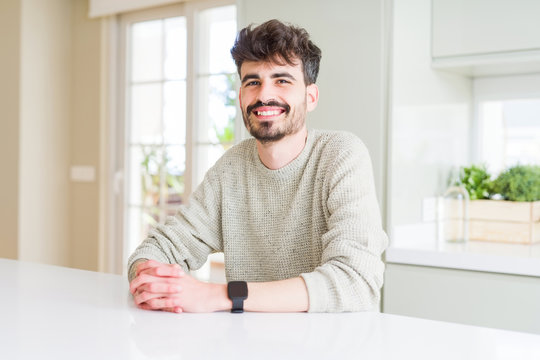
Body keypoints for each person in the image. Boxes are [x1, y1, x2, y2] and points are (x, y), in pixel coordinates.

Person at [128, 19, 388, 313]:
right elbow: (159, 248)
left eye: (282, 80)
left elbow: (356, 281)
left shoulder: (341, 155)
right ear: (241, 97)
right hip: (249, 345)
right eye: (253, 82)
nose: (264, 95)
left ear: (310, 96)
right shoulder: (231, 169)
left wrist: (218, 296)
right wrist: (153, 280)